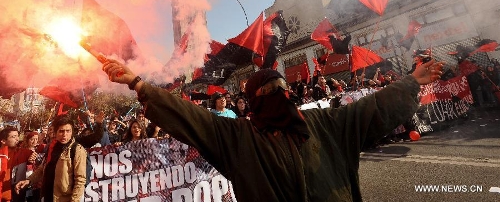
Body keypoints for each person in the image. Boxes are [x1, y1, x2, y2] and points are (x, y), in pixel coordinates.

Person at [102, 58, 443, 202]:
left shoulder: (323, 124)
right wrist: (137, 82)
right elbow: (189, 117)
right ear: (254, 101)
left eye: (282, 87)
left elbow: (373, 109)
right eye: (268, 90)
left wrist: (411, 81)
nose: (279, 93)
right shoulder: (237, 139)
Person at [15, 116, 87, 202]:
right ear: (55, 132)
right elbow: (42, 168)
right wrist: (28, 181)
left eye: (68, 131)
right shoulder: (52, 147)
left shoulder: (77, 150)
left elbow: (80, 180)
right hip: (47, 196)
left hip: (64, 199)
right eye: (61, 131)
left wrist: (74, 200)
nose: (64, 135)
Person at [0, 127, 37, 202]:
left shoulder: (24, 152)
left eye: (17, 136)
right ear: (3, 141)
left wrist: (32, 158)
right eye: (13, 137)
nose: (17, 139)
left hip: (17, 193)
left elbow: (35, 158)